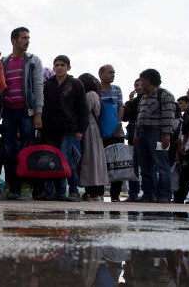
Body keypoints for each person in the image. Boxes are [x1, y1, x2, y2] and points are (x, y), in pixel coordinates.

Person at [0, 27, 43, 201]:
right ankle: (10, 188)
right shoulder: (4, 62)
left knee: (26, 150)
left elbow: (38, 87)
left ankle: (25, 187)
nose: (27, 40)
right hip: (8, 113)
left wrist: (38, 113)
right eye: (23, 38)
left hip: (26, 113)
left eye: (28, 37)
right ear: (13, 40)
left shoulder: (33, 61)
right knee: (9, 151)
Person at [41, 55, 88, 202]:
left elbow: (82, 108)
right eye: (56, 65)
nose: (59, 67)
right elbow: (43, 107)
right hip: (50, 129)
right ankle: (55, 191)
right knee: (51, 160)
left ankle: (73, 191)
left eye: (62, 65)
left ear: (68, 67)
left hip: (68, 129)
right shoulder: (48, 85)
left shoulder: (75, 84)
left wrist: (81, 129)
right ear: (53, 68)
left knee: (66, 160)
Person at [133, 69, 176, 203]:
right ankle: (148, 194)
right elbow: (139, 116)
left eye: (142, 80)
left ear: (149, 80)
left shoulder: (165, 95)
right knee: (145, 166)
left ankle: (165, 195)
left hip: (157, 133)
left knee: (162, 165)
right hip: (143, 133)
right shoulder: (144, 97)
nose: (140, 84)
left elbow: (169, 117)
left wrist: (166, 136)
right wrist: (136, 134)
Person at [77, 73, 108, 201]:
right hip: (94, 128)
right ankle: (96, 190)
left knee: (89, 159)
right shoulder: (96, 95)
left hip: (88, 128)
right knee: (95, 159)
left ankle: (92, 190)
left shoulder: (89, 95)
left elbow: (84, 111)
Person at [99, 64, 126, 201]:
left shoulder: (117, 89)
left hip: (117, 133)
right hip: (101, 133)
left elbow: (120, 107)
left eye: (114, 73)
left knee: (117, 164)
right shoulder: (96, 90)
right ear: (101, 74)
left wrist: (118, 124)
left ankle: (115, 195)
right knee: (100, 163)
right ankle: (98, 193)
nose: (113, 75)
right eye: (110, 72)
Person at [120, 78, 143, 202]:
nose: (138, 87)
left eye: (140, 84)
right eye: (136, 85)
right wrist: (130, 101)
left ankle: (150, 193)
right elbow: (125, 117)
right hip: (132, 135)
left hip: (144, 135)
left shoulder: (149, 99)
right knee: (133, 166)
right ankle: (133, 193)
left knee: (147, 165)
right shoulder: (133, 102)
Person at [173, 96, 189, 203]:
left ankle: (181, 197)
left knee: (188, 175)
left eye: (180, 103)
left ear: (188, 103)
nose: (179, 105)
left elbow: (186, 135)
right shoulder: (183, 118)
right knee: (185, 174)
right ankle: (179, 197)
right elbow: (180, 137)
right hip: (184, 150)